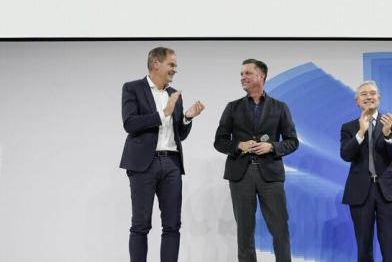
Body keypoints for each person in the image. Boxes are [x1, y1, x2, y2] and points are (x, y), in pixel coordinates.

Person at [119, 47, 205, 262]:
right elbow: (129, 123)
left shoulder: (173, 94)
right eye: (172, 64)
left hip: (172, 164)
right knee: (141, 225)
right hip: (143, 166)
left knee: (172, 225)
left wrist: (187, 117)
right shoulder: (133, 88)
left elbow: (180, 135)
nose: (175, 69)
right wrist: (162, 113)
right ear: (156, 63)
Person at [214, 59, 299, 262]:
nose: (242, 77)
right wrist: (238, 146)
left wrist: (273, 147)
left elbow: (293, 141)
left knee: (280, 229)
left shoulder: (280, 107)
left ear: (261, 76)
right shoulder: (232, 108)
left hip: (270, 175)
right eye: (241, 74)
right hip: (240, 175)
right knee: (245, 232)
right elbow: (219, 141)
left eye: (247, 73)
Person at [340, 81, 392, 262]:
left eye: (373, 93)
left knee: (391, 247)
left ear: (379, 98)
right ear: (357, 102)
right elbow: (346, 154)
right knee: (364, 246)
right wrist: (360, 133)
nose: (369, 97)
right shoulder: (349, 127)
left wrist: (387, 134)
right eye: (364, 94)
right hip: (361, 192)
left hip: (388, 192)